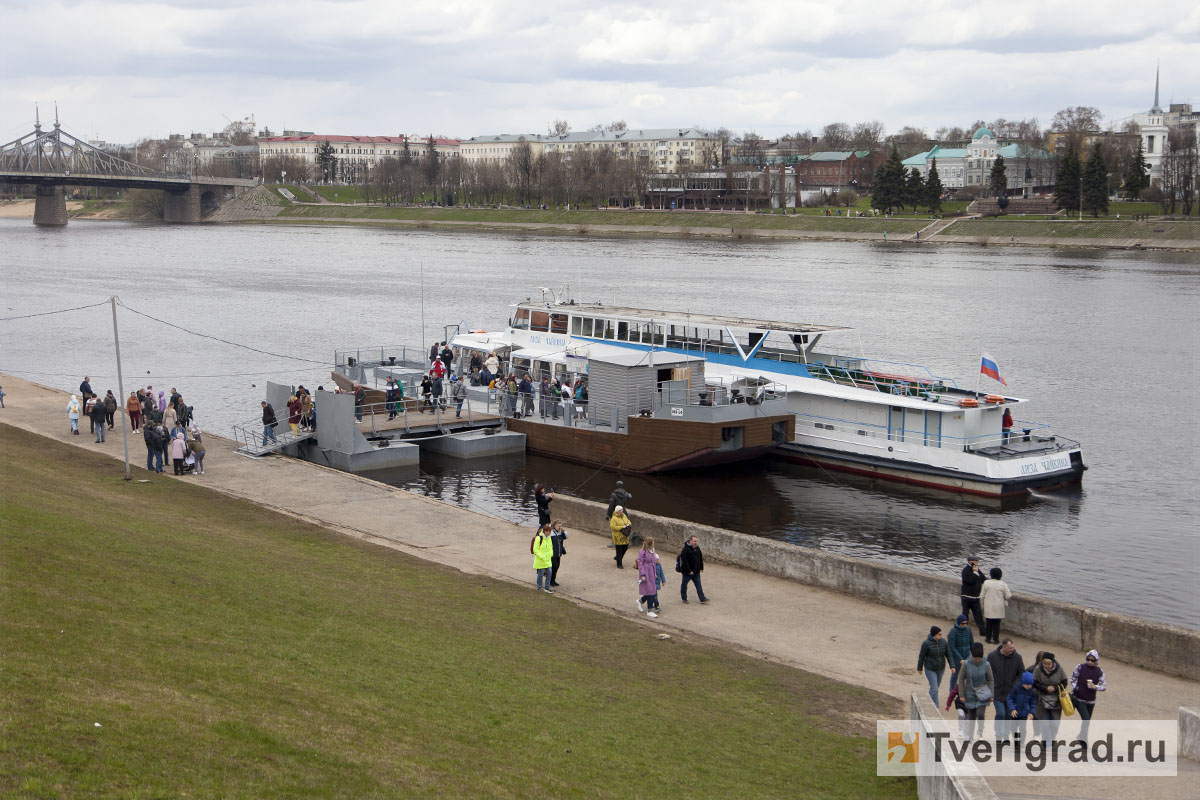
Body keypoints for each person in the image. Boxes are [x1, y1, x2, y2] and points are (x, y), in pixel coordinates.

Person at [987, 638, 1025, 740]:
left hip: (1011, 693)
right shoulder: (992, 656)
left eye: (1013, 647)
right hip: (997, 691)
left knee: (1009, 715)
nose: (1012, 649)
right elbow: (987, 672)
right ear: (1003, 646)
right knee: (1001, 713)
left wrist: (1015, 684)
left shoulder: (1018, 658)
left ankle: (1006, 734)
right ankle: (998, 734)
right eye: (1009, 648)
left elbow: (1021, 673)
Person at [957, 642, 994, 741]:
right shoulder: (966, 664)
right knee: (971, 716)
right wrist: (961, 695)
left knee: (980, 714)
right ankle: (970, 735)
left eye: (979, 658)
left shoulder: (986, 664)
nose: (977, 660)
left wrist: (991, 694)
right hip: (970, 693)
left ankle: (980, 731)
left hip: (983, 693)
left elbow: (990, 679)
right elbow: (961, 679)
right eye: (975, 658)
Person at [1069, 650, 1106, 743]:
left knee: (1087, 721)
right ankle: (1084, 741)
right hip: (1079, 698)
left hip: (1091, 701)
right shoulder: (1080, 667)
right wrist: (1076, 687)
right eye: (1088, 659)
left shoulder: (1099, 671)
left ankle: (1081, 735)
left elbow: (1103, 687)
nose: (1090, 662)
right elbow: (1072, 679)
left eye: (1092, 660)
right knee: (1086, 719)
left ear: (1096, 660)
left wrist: (1095, 686)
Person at [1032, 651, 1068, 742]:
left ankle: (1052, 738)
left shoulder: (1059, 669)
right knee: (1045, 722)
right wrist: (1045, 688)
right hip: (1042, 698)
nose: (1046, 666)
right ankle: (1045, 742)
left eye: (1048, 664)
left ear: (1053, 663)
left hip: (1056, 700)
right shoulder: (1038, 669)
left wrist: (1055, 688)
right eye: (1044, 663)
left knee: (1055, 723)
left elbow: (1064, 682)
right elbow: (1034, 683)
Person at [918, 625, 953, 706]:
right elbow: (922, 656)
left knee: (935, 687)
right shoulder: (926, 643)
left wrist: (952, 666)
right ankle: (936, 706)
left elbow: (949, 654)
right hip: (930, 668)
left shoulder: (943, 642)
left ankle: (928, 700)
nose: (941, 636)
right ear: (934, 635)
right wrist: (920, 668)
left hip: (941, 668)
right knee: (935, 688)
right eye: (939, 634)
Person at [980, 567, 1011, 644]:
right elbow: (1008, 595)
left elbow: (982, 595)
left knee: (988, 623)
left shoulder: (986, 583)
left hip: (988, 606)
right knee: (996, 625)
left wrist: (982, 604)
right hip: (999, 607)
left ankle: (988, 638)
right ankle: (995, 639)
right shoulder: (1003, 584)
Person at [1006, 672, 1038, 743]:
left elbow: (1033, 703)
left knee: (1023, 729)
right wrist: (1012, 709)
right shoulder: (1016, 689)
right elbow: (1009, 698)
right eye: (1027, 684)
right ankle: (1016, 741)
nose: (1028, 686)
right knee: (1013, 728)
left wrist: (1031, 712)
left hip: (1024, 714)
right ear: (1023, 683)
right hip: (1015, 713)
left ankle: (1022, 743)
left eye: (1030, 684)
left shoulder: (1032, 692)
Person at [960, 556, 986, 636]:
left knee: (978, 615)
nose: (978, 563)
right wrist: (975, 573)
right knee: (965, 615)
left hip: (975, 597)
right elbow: (970, 581)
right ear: (971, 562)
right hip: (966, 597)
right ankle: (964, 631)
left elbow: (983, 579)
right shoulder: (965, 570)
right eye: (976, 561)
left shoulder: (977, 570)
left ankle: (983, 631)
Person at [679, 535, 709, 604]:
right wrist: (689, 571)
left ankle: (702, 598)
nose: (696, 542)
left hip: (696, 571)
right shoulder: (685, 550)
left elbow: (700, 558)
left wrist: (701, 567)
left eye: (696, 541)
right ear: (690, 541)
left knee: (698, 585)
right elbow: (684, 561)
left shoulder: (697, 548)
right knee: (684, 584)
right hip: (687, 572)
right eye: (694, 541)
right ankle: (684, 598)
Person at [636, 538, 661, 618]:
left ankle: (641, 601)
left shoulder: (653, 550)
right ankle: (649, 610)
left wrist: (654, 573)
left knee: (651, 590)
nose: (654, 544)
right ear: (649, 543)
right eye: (652, 543)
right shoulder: (643, 551)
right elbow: (640, 563)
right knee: (651, 591)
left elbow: (654, 562)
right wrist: (642, 575)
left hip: (651, 572)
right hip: (646, 572)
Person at [532, 524, 554, 593]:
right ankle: (539, 587)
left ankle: (547, 588)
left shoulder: (549, 538)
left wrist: (551, 554)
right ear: (544, 531)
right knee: (540, 574)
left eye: (550, 531)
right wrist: (541, 556)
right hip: (540, 560)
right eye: (548, 531)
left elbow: (551, 548)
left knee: (549, 573)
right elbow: (535, 549)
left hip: (548, 560)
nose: (549, 533)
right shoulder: (539, 538)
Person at [549, 520, 567, 587]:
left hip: (558, 553)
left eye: (561, 526)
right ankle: (550, 580)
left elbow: (566, 536)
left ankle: (553, 580)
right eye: (559, 526)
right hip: (552, 553)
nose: (560, 527)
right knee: (554, 566)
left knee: (557, 567)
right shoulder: (551, 532)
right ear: (554, 525)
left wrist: (563, 530)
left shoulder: (560, 532)